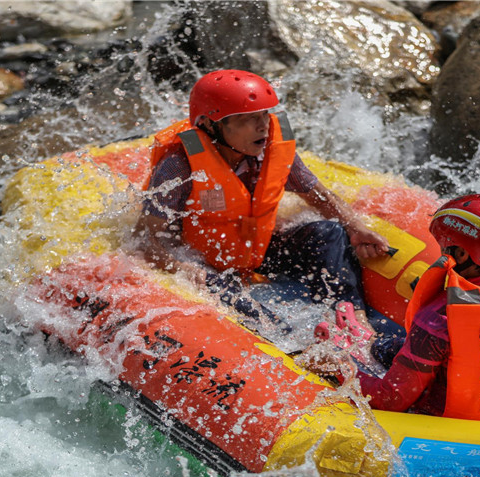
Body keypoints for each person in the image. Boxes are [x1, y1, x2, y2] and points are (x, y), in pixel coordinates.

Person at [135, 70, 389, 327]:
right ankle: (288, 340)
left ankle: (353, 319)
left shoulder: (270, 149)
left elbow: (318, 195)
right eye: (248, 118)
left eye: (264, 115)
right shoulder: (179, 166)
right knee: (217, 286)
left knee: (329, 233)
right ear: (211, 125)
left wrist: (356, 228)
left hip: (258, 252)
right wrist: (182, 268)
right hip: (204, 263)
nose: (263, 126)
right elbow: (146, 238)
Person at [316, 194, 480, 422]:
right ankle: (371, 342)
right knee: (406, 347)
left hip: (451, 429)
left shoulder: (442, 316)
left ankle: (354, 350)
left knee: (332, 361)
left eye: (444, 247)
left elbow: (391, 399)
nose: (442, 253)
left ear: (464, 255)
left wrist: (342, 369)